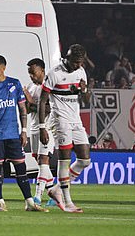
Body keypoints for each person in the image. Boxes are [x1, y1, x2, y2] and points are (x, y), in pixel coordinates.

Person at [0, 54, 47, 212]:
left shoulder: (14, 84)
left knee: (20, 168)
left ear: (3, 67)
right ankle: (0, 202)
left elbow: (23, 109)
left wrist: (23, 131)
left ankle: (29, 202)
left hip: (13, 135)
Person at [40, 44, 92, 213]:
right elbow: (42, 101)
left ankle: (55, 190)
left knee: (85, 160)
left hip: (75, 120)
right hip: (59, 119)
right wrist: (42, 127)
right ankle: (68, 202)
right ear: (67, 58)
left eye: (80, 62)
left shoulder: (81, 72)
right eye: (75, 61)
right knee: (65, 158)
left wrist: (85, 91)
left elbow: (86, 101)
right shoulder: (54, 73)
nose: (77, 65)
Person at [23, 58, 64, 208]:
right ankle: (54, 194)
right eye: (29, 73)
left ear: (41, 70)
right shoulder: (31, 86)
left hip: (47, 128)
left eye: (33, 73)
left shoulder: (49, 87)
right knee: (38, 160)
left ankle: (37, 197)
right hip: (34, 127)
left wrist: (29, 99)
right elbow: (28, 110)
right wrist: (26, 102)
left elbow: (47, 109)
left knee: (43, 160)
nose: (31, 76)